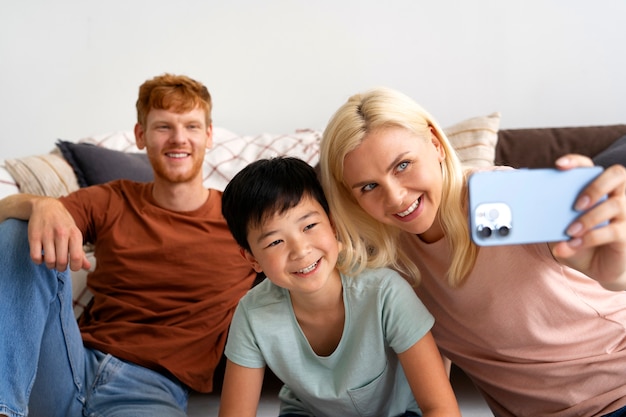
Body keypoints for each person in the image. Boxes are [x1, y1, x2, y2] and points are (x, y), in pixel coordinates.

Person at [319, 86, 626, 417]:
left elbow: (608, 271)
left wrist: (615, 271)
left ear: (435, 144)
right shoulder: (388, 261)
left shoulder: (500, 197)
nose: (394, 197)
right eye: (369, 186)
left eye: (403, 165)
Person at [0, 74, 257, 417]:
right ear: (141, 136)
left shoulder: (242, 221)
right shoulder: (112, 199)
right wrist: (39, 204)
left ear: (209, 136)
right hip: (69, 365)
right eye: (164, 126)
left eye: (192, 126)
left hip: (149, 391)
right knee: (20, 229)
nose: (179, 139)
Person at [218, 156, 461, 417]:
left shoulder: (385, 293)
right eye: (275, 242)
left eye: (309, 226)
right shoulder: (253, 314)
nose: (301, 250)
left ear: (332, 224)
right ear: (252, 258)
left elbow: (441, 408)